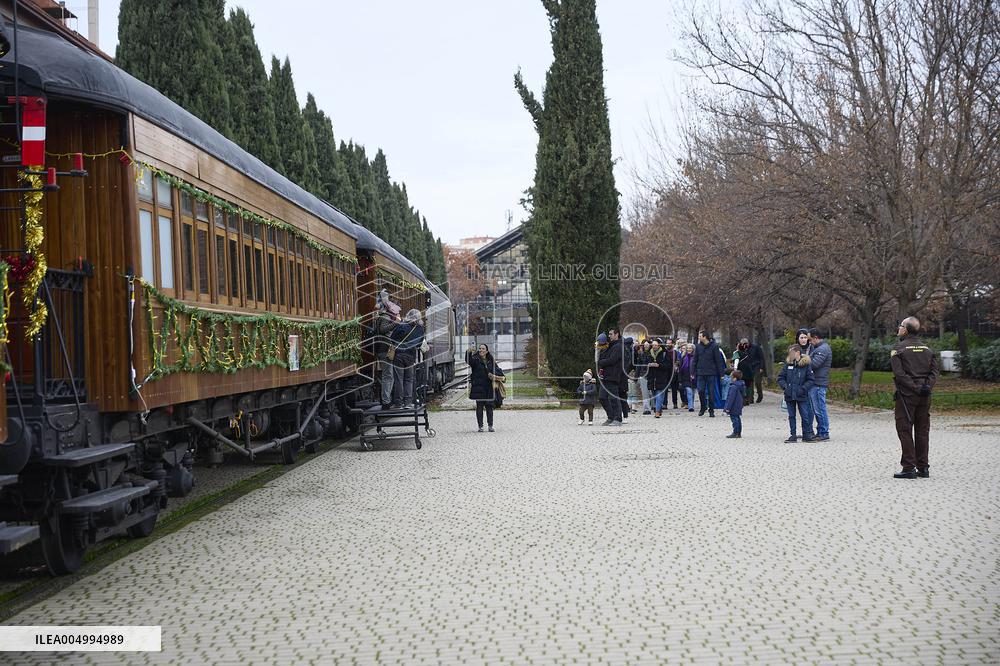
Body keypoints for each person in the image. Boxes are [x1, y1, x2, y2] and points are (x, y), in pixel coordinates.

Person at [891, 316, 939, 479]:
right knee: (922, 430)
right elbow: (934, 372)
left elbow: (899, 374)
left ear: (906, 329)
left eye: (901, 325)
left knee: (904, 429)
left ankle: (909, 467)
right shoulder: (927, 349)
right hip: (925, 396)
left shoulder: (898, 349)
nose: (899, 328)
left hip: (906, 396)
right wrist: (926, 387)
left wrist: (914, 387)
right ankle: (923, 467)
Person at [777, 344, 816, 442]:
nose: (790, 354)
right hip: (790, 395)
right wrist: (786, 387)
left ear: (797, 353)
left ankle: (806, 434)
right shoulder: (788, 365)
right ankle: (793, 435)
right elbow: (780, 378)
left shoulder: (806, 365)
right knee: (791, 416)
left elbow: (811, 380)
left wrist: (803, 389)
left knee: (805, 415)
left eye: (792, 352)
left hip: (802, 394)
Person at [389, 308, 425, 409]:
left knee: (399, 379)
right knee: (409, 379)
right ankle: (408, 403)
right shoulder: (420, 329)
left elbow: (392, 338)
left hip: (399, 355)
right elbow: (419, 344)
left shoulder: (401, 326)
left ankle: (398, 403)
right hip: (410, 356)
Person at [372, 290, 402, 410]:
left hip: (382, 348)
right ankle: (386, 401)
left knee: (388, 375)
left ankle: (386, 399)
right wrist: (395, 323)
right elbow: (384, 329)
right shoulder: (384, 316)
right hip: (385, 349)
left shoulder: (382, 316)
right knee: (388, 376)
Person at [466, 343, 505, 432]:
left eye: (483, 349)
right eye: (479, 348)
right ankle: (480, 426)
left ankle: (490, 426)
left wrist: (495, 376)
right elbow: (468, 360)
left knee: (489, 406)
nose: (481, 350)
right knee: (479, 407)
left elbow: (498, 371)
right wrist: (469, 351)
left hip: (489, 387)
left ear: (487, 351)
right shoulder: (475, 360)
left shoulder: (491, 360)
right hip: (478, 387)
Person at [807, 328, 832, 441]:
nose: (810, 342)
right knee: (817, 409)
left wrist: (803, 359)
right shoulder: (818, 348)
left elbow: (814, 364)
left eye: (810, 339)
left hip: (818, 383)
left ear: (816, 338)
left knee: (820, 409)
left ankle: (823, 432)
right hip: (816, 382)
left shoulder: (822, 349)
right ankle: (820, 431)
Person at [694, 331, 726, 417]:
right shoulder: (698, 347)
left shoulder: (714, 346)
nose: (699, 338)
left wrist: (721, 374)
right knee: (701, 390)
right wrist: (692, 371)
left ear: (705, 337)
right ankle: (703, 407)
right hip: (700, 372)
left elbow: (718, 360)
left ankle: (711, 409)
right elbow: (695, 360)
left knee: (711, 392)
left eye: (700, 336)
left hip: (711, 373)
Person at [597, 329, 624, 426]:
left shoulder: (618, 346)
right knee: (602, 397)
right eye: (608, 334)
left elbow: (612, 360)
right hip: (605, 376)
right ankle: (610, 417)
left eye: (611, 334)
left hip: (613, 376)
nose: (609, 336)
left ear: (617, 334)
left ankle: (618, 419)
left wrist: (601, 362)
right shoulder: (610, 346)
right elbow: (603, 357)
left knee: (614, 398)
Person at [734, 338, 766, 405]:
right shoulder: (744, 349)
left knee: (757, 382)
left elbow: (761, 357)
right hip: (749, 367)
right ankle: (750, 398)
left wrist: (761, 367)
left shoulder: (756, 347)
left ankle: (760, 395)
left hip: (757, 366)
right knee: (750, 383)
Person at [647, 337, 672, 417]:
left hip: (662, 377)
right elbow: (644, 363)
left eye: (656, 345)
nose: (654, 346)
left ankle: (657, 411)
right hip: (652, 377)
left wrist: (659, 365)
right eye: (653, 345)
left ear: (659, 345)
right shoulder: (648, 353)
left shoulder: (665, 353)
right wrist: (648, 365)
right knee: (654, 395)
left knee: (659, 394)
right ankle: (659, 408)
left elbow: (668, 366)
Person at [724, 369, 745, 438]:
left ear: (735, 379)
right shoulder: (741, 385)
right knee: (737, 418)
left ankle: (735, 432)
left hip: (733, 405)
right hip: (738, 404)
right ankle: (738, 433)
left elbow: (731, 398)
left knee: (734, 419)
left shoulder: (733, 387)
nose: (730, 379)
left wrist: (727, 408)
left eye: (731, 377)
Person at [634, 339, 653, 415]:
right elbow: (638, 366)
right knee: (645, 393)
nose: (646, 346)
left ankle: (654, 406)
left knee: (651, 392)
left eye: (647, 345)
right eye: (644, 345)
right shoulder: (641, 354)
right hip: (643, 375)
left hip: (651, 375)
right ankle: (646, 408)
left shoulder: (652, 354)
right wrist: (636, 376)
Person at [619, 337, 635, 421]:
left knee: (621, 394)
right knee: (624, 395)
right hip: (625, 374)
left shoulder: (625, 350)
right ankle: (625, 414)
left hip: (621, 374)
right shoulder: (629, 351)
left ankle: (624, 413)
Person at [665, 339, 683, 409]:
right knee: (665, 389)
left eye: (669, 343)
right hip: (666, 372)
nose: (668, 345)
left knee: (674, 389)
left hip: (674, 372)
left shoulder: (676, 352)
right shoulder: (665, 352)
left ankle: (675, 403)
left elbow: (679, 361)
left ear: (672, 344)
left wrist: (677, 364)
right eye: (667, 343)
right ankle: (665, 404)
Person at [679, 343, 696, 411]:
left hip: (694, 377)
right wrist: (680, 378)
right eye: (688, 348)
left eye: (690, 348)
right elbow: (680, 368)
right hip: (685, 377)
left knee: (693, 392)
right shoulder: (683, 357)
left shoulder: (695, 357)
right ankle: (690, 406)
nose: (689, 349)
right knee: (689, 391)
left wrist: (694, 374)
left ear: (693, 349)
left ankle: (691, 403)